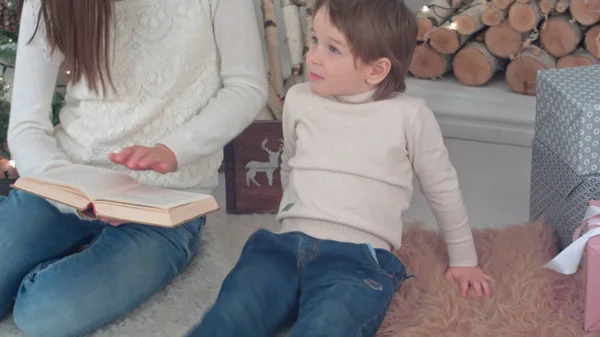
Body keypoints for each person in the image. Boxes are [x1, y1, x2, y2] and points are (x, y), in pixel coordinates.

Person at [186, 0, 494, 336]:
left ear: (376, 70)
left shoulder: (410, 116)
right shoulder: (299, 99)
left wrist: (465, 259)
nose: (314, 56)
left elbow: (442, 188)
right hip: (283, 248)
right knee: (231, 315)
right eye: (315, 40)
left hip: (357, 261)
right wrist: (293, 215)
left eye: (333, 48)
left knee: (328, 325)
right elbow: (291, 165)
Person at [0, 0, 267, 336]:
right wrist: (71, 189)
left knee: (43, 313)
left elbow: (246, 87)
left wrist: (174, 150)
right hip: (67, 183)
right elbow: (26, 126)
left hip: (165, 205)